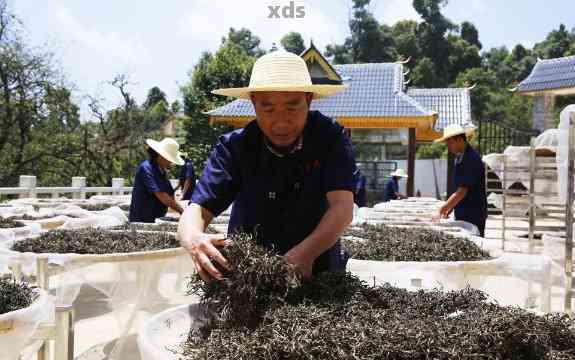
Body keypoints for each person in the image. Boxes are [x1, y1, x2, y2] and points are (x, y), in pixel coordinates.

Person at [178, 50, 355, 281]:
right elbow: (197, 210)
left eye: (292, 107)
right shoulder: (235, 147)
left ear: (308, 99)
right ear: (253, 103)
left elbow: (342, 208)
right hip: (248, 274)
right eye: (268, 108)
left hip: (316, 267)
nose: (281, 121)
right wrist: (193, 238)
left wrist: (306, 253)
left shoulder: (330, 139)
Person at [433, 124, 488, 237]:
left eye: (449, 142)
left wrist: (442, 209)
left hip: (473, 213)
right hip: (464, 211)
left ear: (458, 139)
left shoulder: (471, 159)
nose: (448, 146)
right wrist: (450, 207)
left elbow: (462, 191)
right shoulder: (461, 157)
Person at [129, 138, 185, 223]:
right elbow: (162, 195)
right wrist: (181, 210)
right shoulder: (147, 168)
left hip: (156, 218)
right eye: (170, 159)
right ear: (161, 156)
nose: (171, 162)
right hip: (142, 220)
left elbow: (170, 195)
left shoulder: (162, 171)